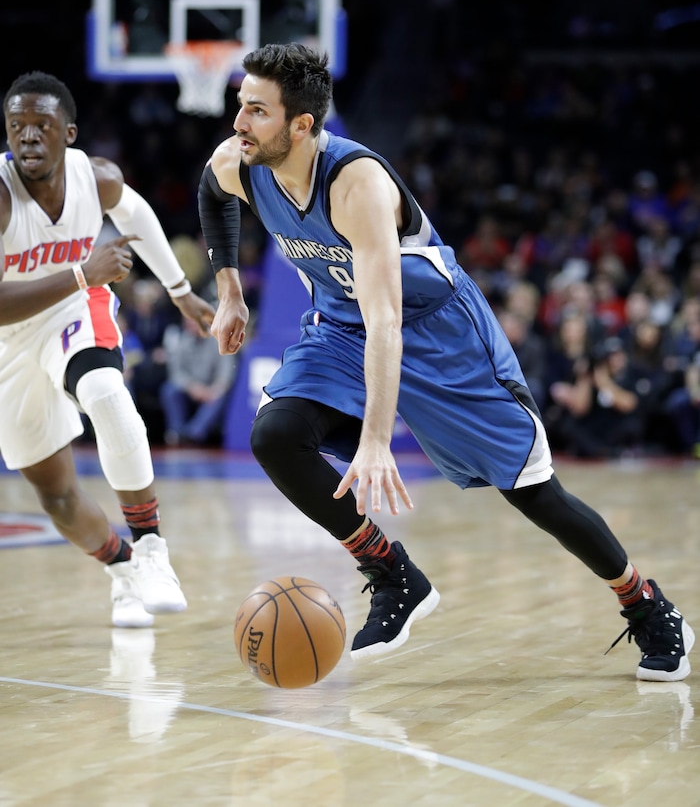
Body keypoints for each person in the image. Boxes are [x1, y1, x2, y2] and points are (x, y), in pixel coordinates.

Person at [198, 43, 694, 681]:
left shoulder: (357, 186)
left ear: (302, 125)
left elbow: (389, 320)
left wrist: (376, 440)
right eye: (241, 105)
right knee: (276, 434)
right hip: (342, 329)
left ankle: (646, 604)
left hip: (438, 334)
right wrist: (231, 292)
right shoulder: (239, 162)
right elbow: (212, 195)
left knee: (534, 493)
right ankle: (392, 573)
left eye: (257, 112)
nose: (239, 123)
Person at [0, 71, 216, 628]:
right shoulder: (1, 197)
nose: (27, 137)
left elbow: (137, 216)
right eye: (16, 126)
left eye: (40, 126)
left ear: (67, 133)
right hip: (11, 335)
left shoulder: (96, 180)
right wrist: (81, 272)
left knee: (104, 389)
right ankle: (123, 573)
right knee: (58, 499)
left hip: (74, 311)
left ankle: (150, 549)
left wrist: (182, 292)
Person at [159, 314, 238, 446]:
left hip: (211, 387)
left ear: (204, 323)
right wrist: (192, 387)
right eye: (187, 323)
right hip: (190, 388)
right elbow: (176, 372)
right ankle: (176, 433)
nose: (190, 326)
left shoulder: (219, 340)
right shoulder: (182, 340)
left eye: (193, 322)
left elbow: (226, 373)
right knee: (169, 390)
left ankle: (193, 434)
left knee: (219, 397)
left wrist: (213, 389)